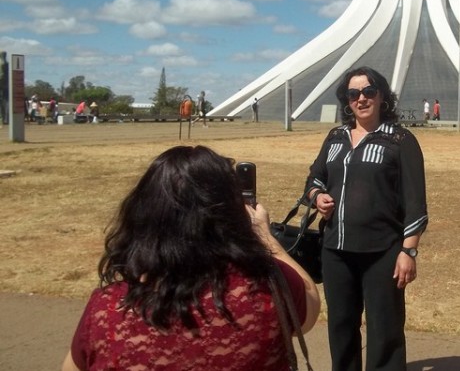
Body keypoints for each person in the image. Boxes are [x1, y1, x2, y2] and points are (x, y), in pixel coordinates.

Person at [61, 145, 321, 371]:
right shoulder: (269, 291)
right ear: (230, 214)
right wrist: (264, 235)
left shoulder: (106, 311)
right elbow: (310, 300)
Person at [305, 66, 428, 371]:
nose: (361, 99)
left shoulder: (400, 140)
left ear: (382, 96)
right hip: (335, 251)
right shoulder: (335, 137)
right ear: (346, 100)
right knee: (341, 326)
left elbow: (415, 202)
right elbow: (314, 179)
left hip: (382, 252)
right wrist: (317, 198)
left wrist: (408, 251)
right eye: (353, 94)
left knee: (384, 328)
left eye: (368, 91)